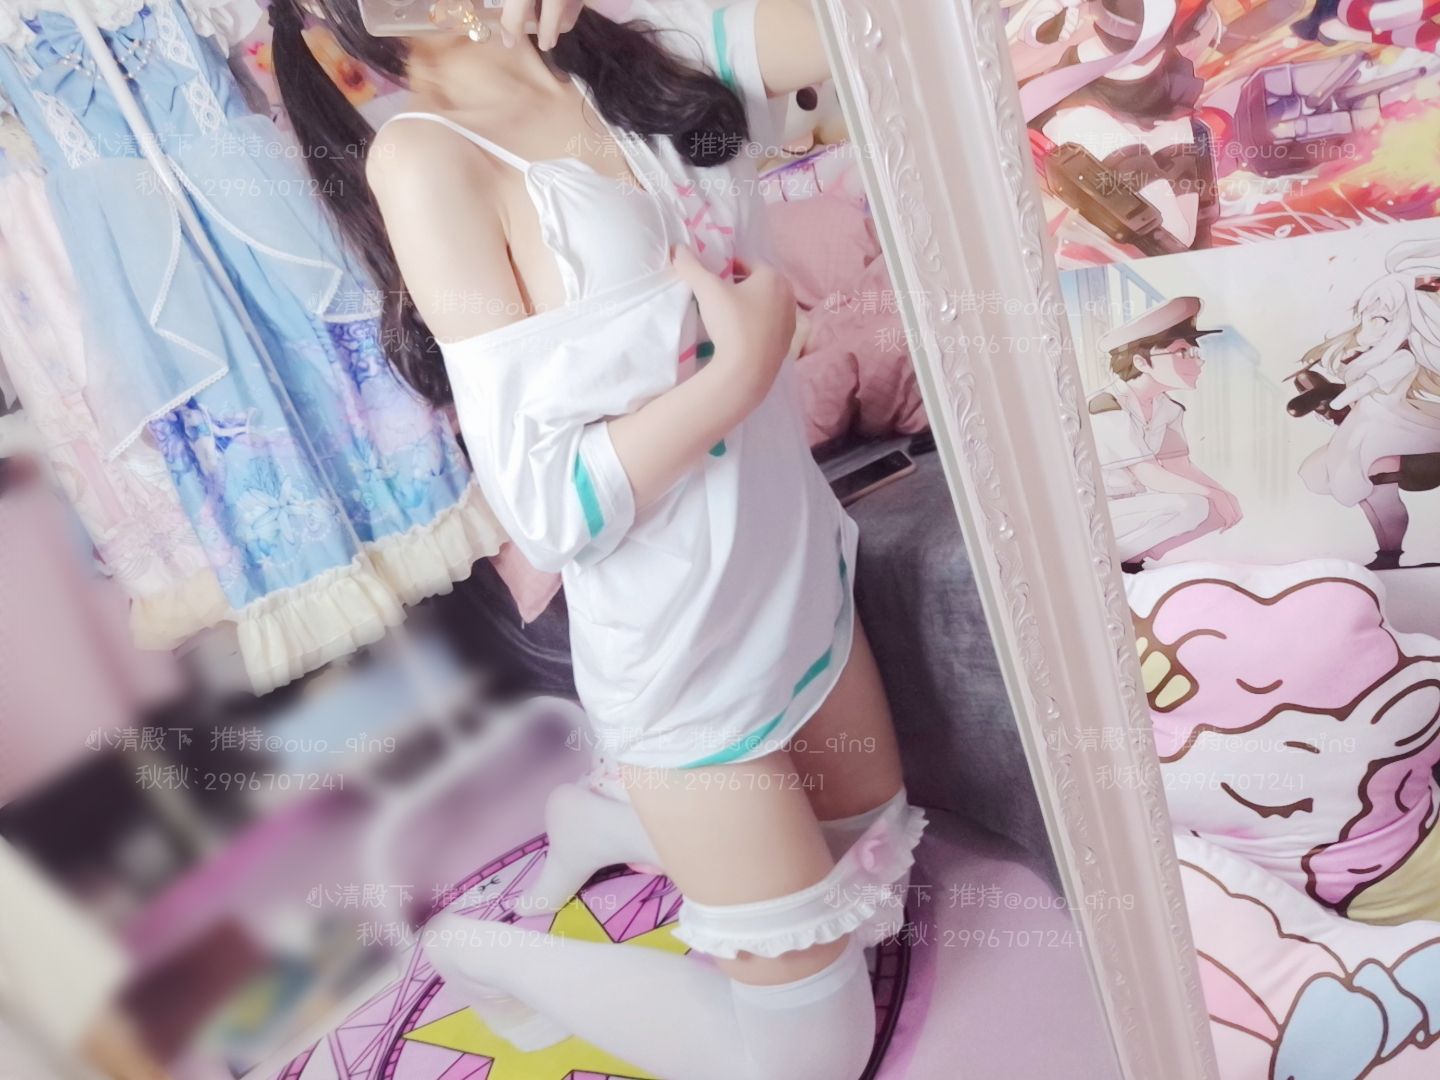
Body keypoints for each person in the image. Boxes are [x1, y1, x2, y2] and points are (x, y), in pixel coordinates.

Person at [267, 2, 925, 1078]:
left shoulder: (641, 37)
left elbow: (896, 27)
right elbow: (545, 506)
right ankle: (478, 950)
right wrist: (740, 374)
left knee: (881, 894)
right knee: (813, 1057)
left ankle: (607, 824)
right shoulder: (427, 158)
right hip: (683, 654)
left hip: (804, 579)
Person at [1087, 296, 1239, 572]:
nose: (1198, 362)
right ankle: (1108, 562)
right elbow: (1148, 474)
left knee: (1217, 508)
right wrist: (1212, 494)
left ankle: (1133, 559)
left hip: (1133, 510)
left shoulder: (1168, 409)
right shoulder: (1106, 405)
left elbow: (1180, 467)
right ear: (1141, 362)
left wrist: (1224, 494)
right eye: (1182, 353)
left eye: (1195, 353)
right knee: (1188, 505)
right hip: (1093, 511)